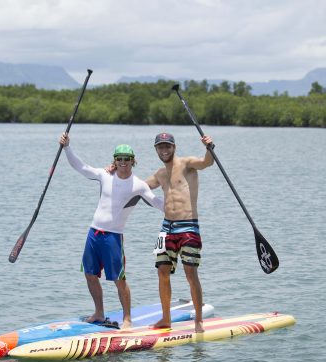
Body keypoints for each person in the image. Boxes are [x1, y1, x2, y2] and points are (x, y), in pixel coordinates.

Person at [59, 133, 164, 330]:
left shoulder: (138, 185)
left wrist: (180, 208)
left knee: (119, 279)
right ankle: (99, 313)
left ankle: (127, 319)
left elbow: (156, 202)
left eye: (127, 159)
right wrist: (67, 148)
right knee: (90, 275)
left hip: (113, 238)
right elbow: (81, 167)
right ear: (114, 161)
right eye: (119, 159)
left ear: (133, 161)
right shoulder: (104, 175)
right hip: (93, 233)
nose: (123, 162)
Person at [146, 132, 214, 333]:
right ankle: (166, 319)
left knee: (190, 273)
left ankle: (199, 320)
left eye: (167, 146)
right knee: (162, 272)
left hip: (188, 226)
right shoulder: (159, 173)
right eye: (160, 147)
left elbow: (206, 162)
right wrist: (115, 172)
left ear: (174, 147)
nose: (164, 150)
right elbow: (138, 187)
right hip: (166, 227)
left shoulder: (187, 164)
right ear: (156, 149)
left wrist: (209, 147)